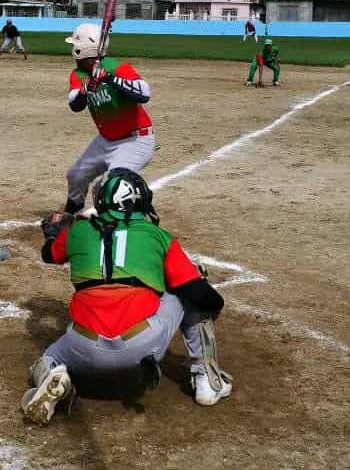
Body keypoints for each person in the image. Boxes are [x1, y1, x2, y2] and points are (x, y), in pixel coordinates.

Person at [22, 169, 233, 425]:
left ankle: (53, 377)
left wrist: (55, 233)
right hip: (141, 343)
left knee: (48, 358)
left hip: (83, 345)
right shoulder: (158, 236)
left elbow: (48, 254)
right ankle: (207, 380)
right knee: (190, 283)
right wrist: (214, 307)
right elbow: (202, 296)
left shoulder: (77, 230)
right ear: (139, 200)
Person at [62, 23, 154, 215]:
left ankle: (131, 216)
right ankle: (70, 216)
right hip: (106, 140)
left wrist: (109, 78)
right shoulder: (77, 75)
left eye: (75, 45)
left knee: (108, 187)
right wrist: (85, 91)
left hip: (135, 139)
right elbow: (75, 105)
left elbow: (144, 93)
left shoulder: (116, 67)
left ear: (82, 50)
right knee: (76, 176)